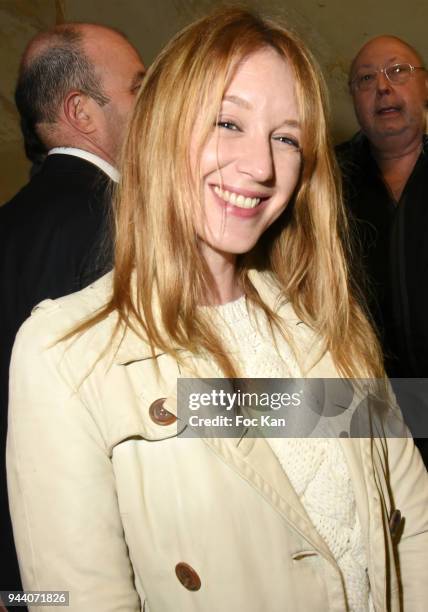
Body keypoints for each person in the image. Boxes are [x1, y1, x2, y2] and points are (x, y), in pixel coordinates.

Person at [7, 9, 428, 611]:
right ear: (162, 128)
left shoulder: (325, 324)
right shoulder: (65, 352)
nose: (260, 166)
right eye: (228, 121)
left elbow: (412, 527)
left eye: (286, 137)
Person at [0, 23, 145, 604]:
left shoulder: (10, 221)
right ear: (82, 113)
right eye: (139, 87)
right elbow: (174, 408)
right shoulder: (125, 229)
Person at [336, 36, 428, 379]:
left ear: (426, 85)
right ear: (354, 98)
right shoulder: (323, 181)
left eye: (398, 71)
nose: (383, 87)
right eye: (366, 78)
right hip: (366, 401)